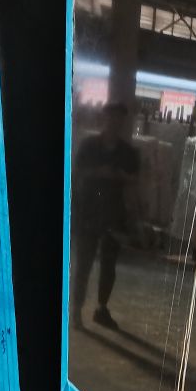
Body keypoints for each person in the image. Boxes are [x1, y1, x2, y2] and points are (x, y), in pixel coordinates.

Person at [71, 102, 140, 329]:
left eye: (119, 119)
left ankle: (101, 309)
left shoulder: (127, 152)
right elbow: (76, 172)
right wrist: (98, 172)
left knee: (109, 265)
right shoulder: (89, 145)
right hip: (88, 212)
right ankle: (76, 311)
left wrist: (120, 176)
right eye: (112, 117)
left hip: (113, 214)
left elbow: (135, 180)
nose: (115, 122)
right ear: (105, 118)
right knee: (84, 264)